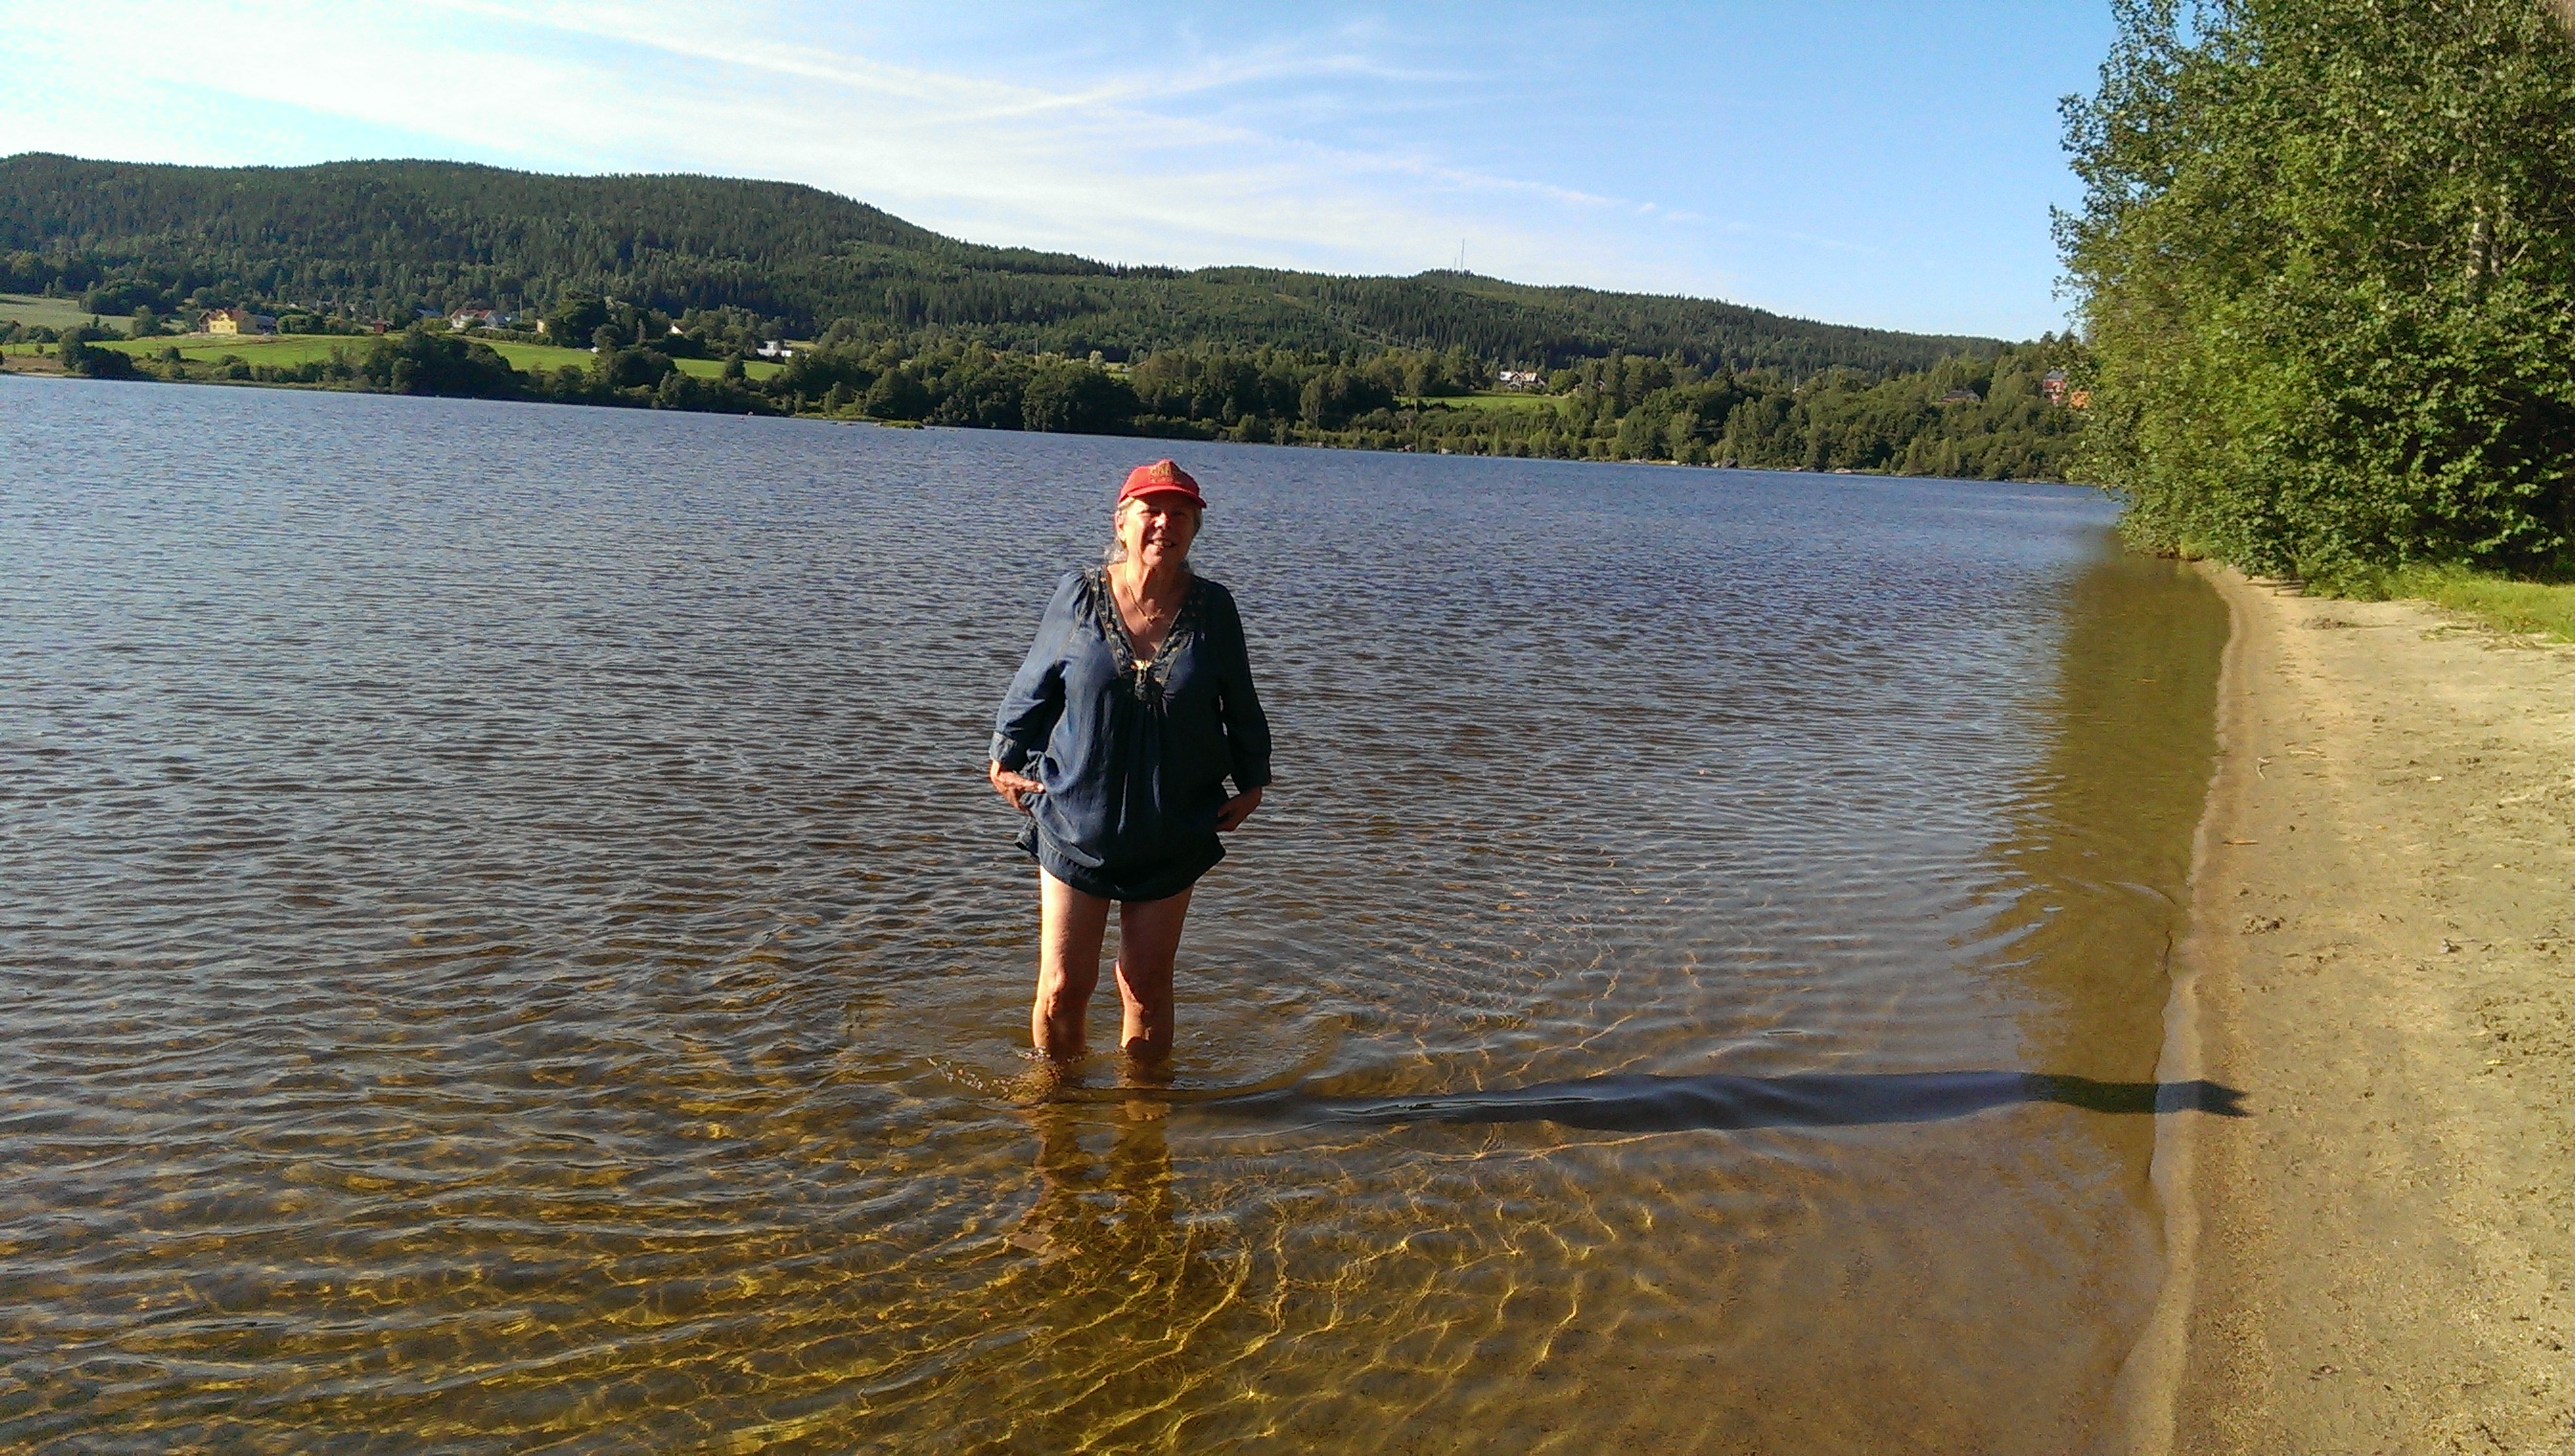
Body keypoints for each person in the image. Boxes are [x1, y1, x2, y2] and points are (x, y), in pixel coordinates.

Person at [988, 460, 1272, 1062]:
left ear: (1194, 528)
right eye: (1152, 511)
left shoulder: (1214, 608)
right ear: (1122, 523)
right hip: (1076, 817)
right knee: (1063, 989)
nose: (1165, 524)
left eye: (1180, 514)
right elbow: (1034, 681)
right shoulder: (1080, 596)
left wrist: (1253, 780)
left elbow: (1241, 701)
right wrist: (1005, 753)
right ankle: (1055, 1107)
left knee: (1146, 988)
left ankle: (1143, 1114)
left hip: (1173, 823)